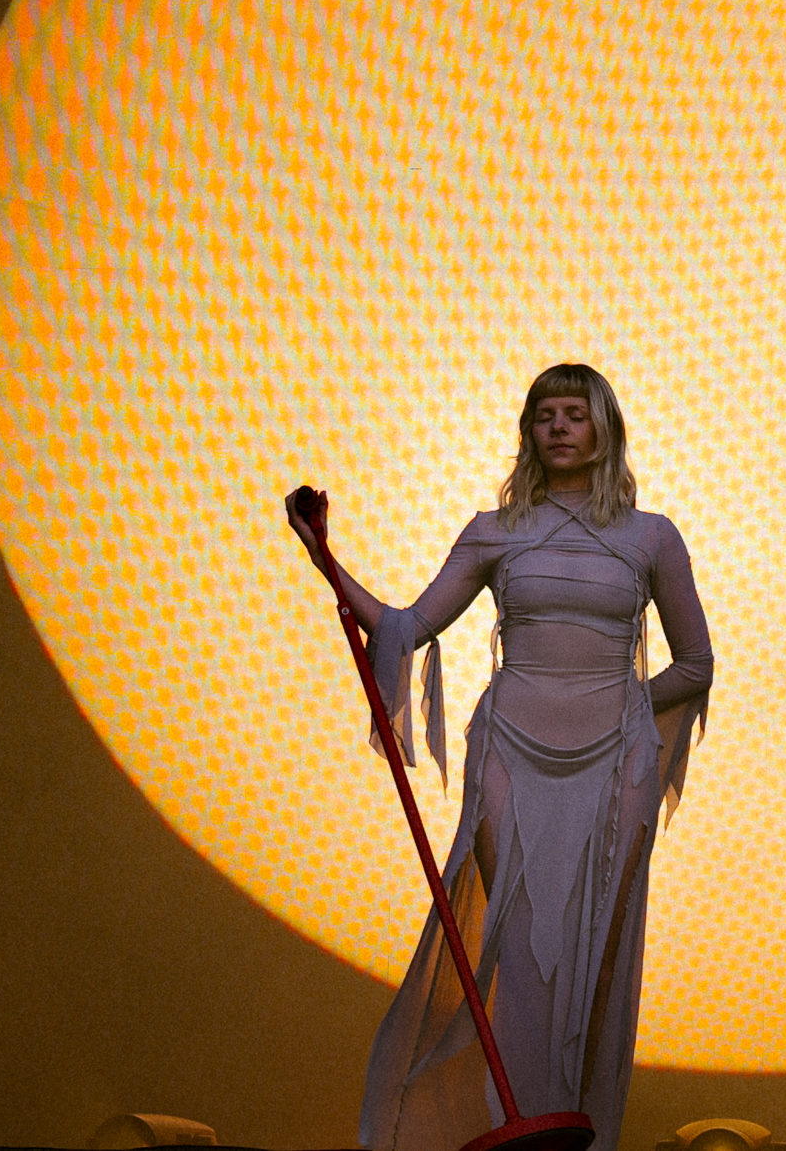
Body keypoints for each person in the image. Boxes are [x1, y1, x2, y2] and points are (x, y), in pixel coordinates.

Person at [291, 364, 714, 1151]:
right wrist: (326, 558)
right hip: (510, 749)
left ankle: (573, 1129)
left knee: (594, 941)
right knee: (516, 945)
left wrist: (618, 710)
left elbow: (695, 665)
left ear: (604, 430)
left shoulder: (651, 536)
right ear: (528, 431)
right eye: (544, 415)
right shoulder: (496, 530)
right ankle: (510, 1123)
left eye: (574, 414)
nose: (558, 427)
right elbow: (405, 627)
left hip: (613, 763)